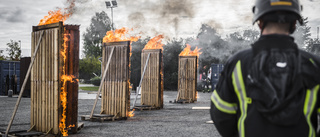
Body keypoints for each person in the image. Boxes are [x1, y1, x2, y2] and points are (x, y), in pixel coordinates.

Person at [210, 0, 320, 137]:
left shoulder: (238, 63)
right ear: (294, 23)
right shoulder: (314, 64)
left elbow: (221, 114)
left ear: (260, 22)